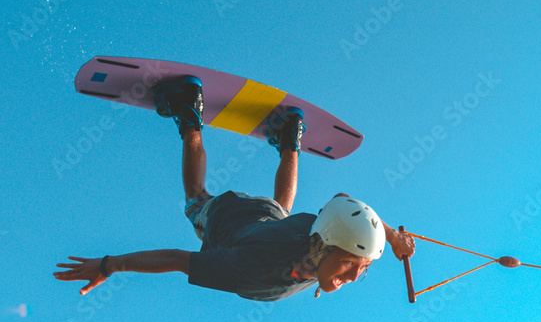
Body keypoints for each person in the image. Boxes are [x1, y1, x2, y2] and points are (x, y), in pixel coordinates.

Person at [54, 76, 415, 301]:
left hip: (270, 219)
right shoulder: (255, 272)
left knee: (283, 210)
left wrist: (392, 240)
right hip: (226, 219)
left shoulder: (324, 226)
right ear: (322, 243)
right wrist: (110, 265)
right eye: (351, 263)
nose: (353, 277)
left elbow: (343, 202)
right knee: (196, 196)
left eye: (363, 268)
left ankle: (291, 137)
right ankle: (187, 110)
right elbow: (179, 260)